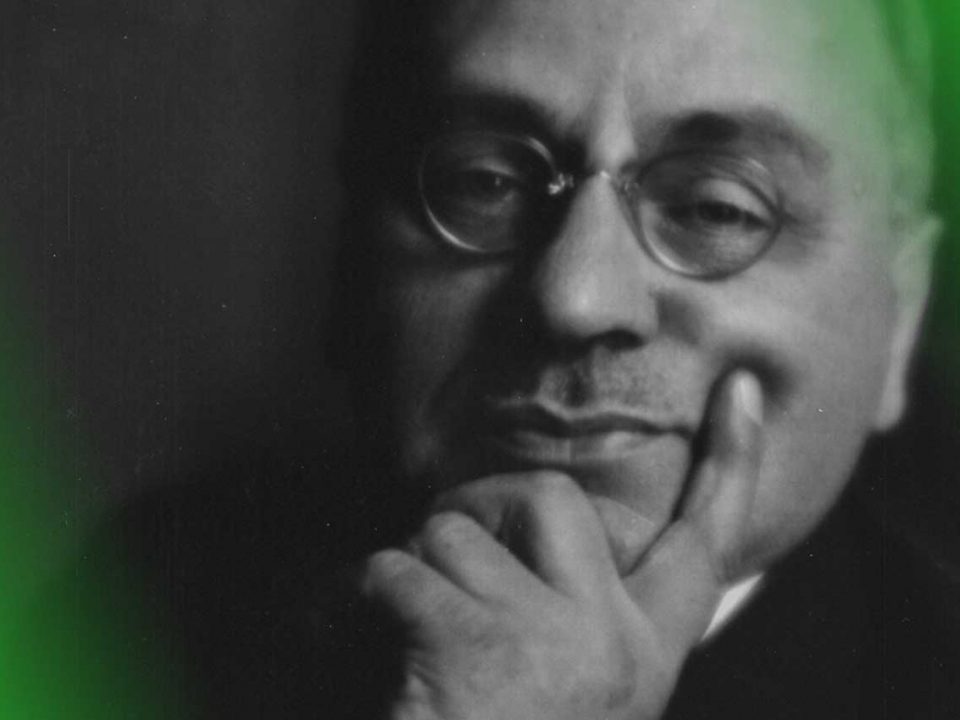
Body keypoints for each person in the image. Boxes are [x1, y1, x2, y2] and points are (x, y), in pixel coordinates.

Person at [69, 0, 958, 717]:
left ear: (904, 311)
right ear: (350, 262)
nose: (576, 299)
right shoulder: (122, 619)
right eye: (484, 183)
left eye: (717, 209)